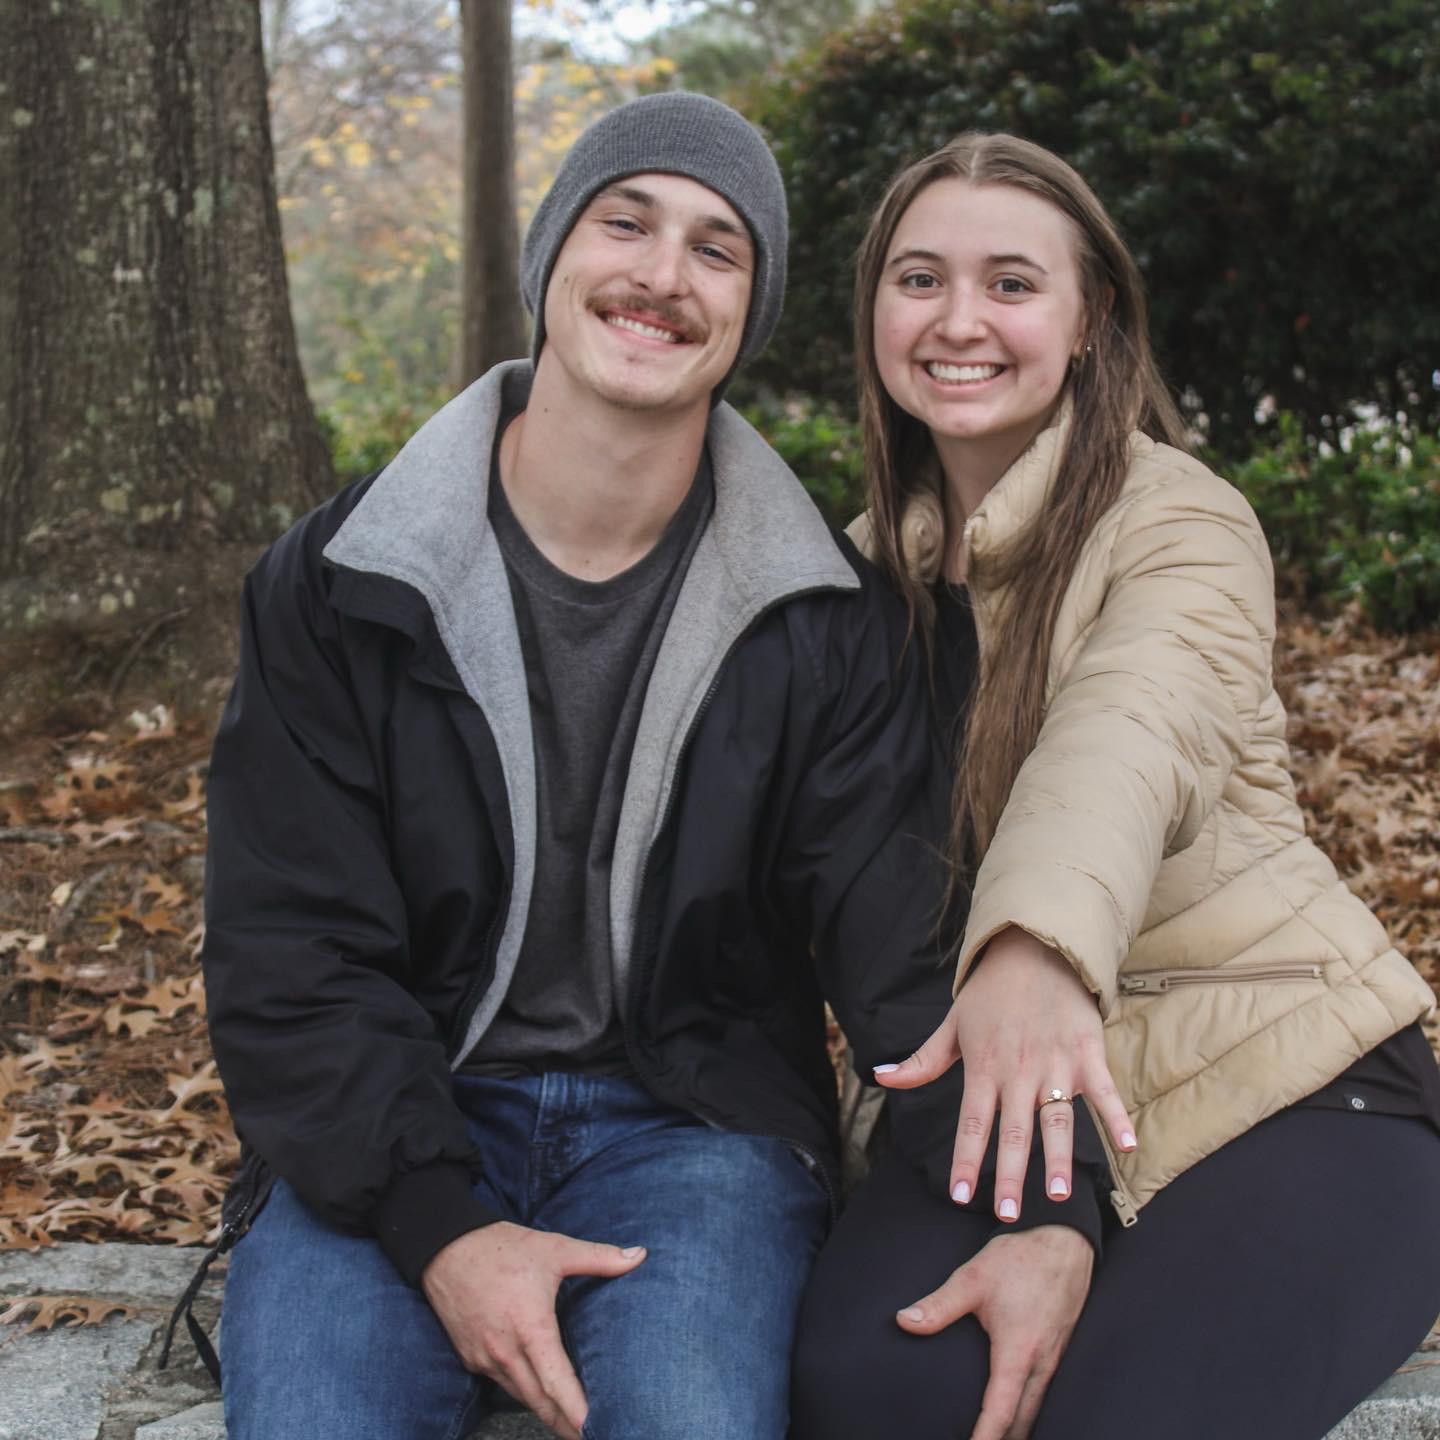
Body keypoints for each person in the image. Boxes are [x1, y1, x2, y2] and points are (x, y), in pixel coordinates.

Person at [194, 92, 968, 1440]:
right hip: (397, 1118)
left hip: (695, 1135)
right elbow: (292, 949)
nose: (663, 276)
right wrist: (442, 1229)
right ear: (554, 254)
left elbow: (902, 953)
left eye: (718, 249)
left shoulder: (827, 620)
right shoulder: (336, 585)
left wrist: (1044, 1206)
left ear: (751, 310)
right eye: (628, 222)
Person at [791, 132, 1440, 1440]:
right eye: (919, 279)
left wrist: (1031, 944)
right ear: (872, 312)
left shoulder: (1180, 520)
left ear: (1089, 322)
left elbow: (1129, 730)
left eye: (1012, 284)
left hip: (1276, 1073)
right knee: (877, 1395)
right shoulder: (849, 582)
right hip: (999, 1109)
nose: (959, 319)